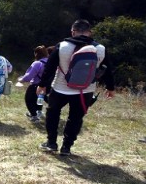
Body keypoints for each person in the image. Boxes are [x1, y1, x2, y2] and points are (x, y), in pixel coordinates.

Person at [37, 19, 115, 156]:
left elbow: (49, 68)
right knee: (76, 118)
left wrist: (42, 84)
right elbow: (107, 69)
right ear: (90, 32)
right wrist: (110, 88)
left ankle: (51, 143)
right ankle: (66, 147)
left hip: (61, 87)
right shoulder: (100, 49)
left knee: (53, 114)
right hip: (85, 90)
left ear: (73, 31)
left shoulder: (61, 46)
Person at [18, 45, 54, 122]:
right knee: (40, 98)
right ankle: (39, 112)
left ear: (36, 54)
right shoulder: (51, 62)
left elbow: (29, 76)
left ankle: (34, 116)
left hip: (36, 85)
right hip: (48, 86)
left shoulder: (37, 63)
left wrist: (21, 80)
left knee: (29, 100)